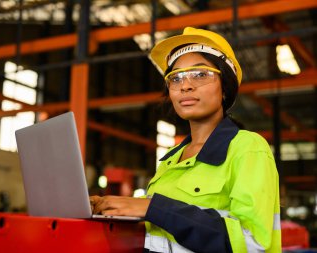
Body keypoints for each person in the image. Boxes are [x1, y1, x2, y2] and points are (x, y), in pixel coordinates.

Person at [90, 27, 281, 253]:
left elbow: (252, 244)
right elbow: (161, 232)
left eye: (200, 74)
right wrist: (112, 210)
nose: (185, 85)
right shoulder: (170, 161)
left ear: (225, 89)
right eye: (176, 78)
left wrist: (153, 207)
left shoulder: (247, 148)